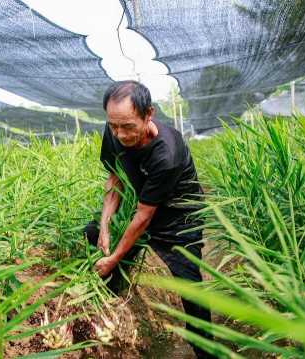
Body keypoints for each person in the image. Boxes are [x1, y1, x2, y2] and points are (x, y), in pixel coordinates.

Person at [83, 80, 213, 358]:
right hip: (142, 204)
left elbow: (143, 218)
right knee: (92, 233)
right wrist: (105, 226)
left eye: (128, 126)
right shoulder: (115, 129)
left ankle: (206, 351)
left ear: (148, 114)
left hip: (179, 218)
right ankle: (114, 310)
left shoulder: (167, 153)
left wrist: (114, 256)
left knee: (190, 289)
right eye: (114, 126)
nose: (120, 134)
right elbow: (115, 177)